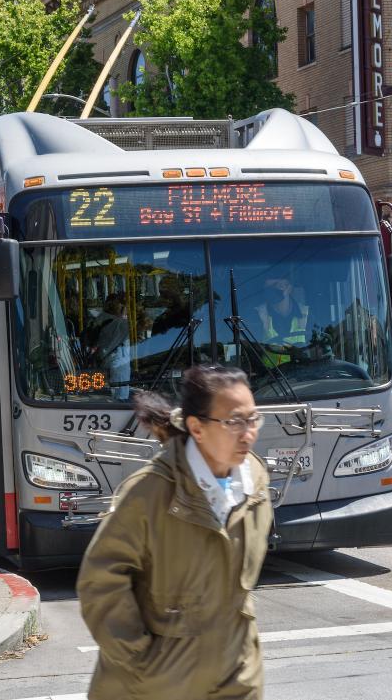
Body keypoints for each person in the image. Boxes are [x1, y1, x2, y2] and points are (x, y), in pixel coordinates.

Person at [77, 365, 270, 700]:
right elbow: (100, 581)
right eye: (235, 421)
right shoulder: (149, 493)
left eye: (253, 419)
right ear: (197, 427)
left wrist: (246, 660)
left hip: (235, 679)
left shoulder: (256, 481)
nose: (248, 433)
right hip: (154, 687)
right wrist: (141, 663)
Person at [91, 293, 131, 400]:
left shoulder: (101, 318)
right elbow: (137, 328)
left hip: (106, 357)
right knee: (121, 395)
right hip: (117, 360)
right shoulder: (118, 323)